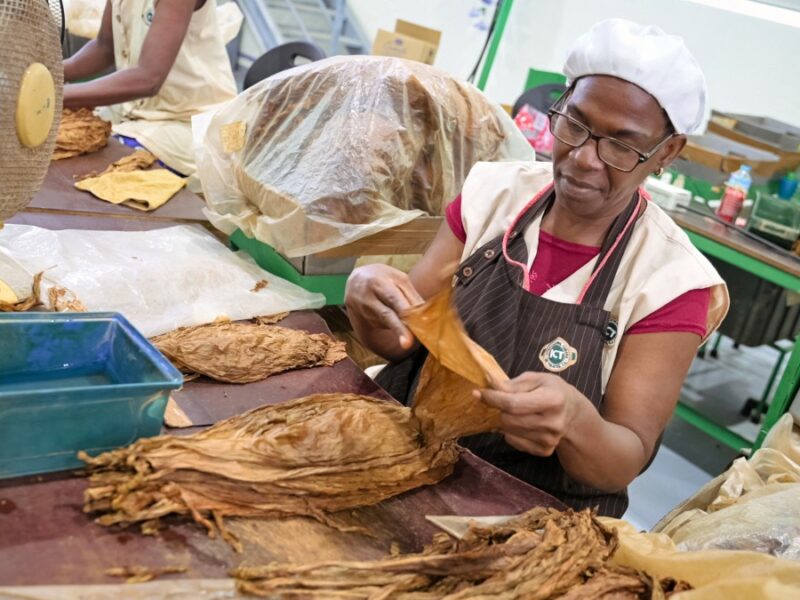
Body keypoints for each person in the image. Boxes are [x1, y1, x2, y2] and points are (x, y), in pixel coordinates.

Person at [344, 19, 730, 517]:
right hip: (410, 458)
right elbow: (401, 340)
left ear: (667, 152)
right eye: (574, 124)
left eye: (620, 145)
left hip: (534, 515)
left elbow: (621, 460)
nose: (584, 158)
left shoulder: (669, 279)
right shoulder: (491, 196)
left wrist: (576, 423)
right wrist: (368, 300)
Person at [62, 0, 237, 177]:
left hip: (192, 124)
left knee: (92, 165)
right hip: (139, 112)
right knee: (60, 138)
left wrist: (57, 94)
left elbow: (149, 79)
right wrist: (50, 72)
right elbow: (105, 47)